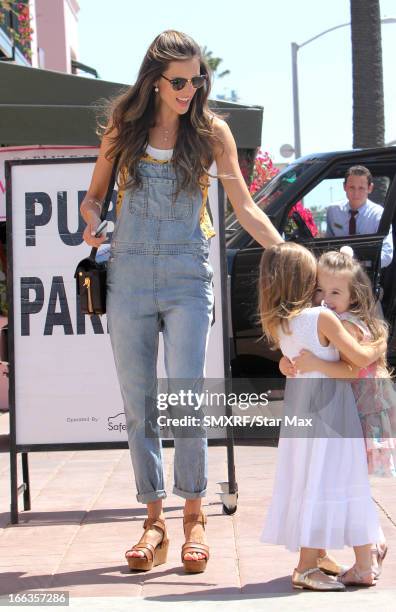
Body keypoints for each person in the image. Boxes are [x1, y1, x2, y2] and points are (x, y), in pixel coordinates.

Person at [80, 30, 283, 574]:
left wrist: (284, 249)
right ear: (153, 79)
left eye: (197, 79)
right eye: (179, 80)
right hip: (128, 274)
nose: (190, 88)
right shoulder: (124, 128)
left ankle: (194, 514)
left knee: (187, 397)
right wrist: (92, 222)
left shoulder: (211, 133)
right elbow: (94, 195)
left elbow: (241, 203)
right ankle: (153, 521)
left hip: (188, 276)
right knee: (139, 404)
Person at [258, 242, 385, 591]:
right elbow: (358, 360)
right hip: (332, 414)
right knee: (339, 478)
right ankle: (305, 567)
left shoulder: (280, 322)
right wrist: (381, 343)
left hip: (302, 414)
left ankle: (328, 557)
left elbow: (294, 363)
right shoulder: (321, 317)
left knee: (311, 480)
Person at [326, 165, 393, 268]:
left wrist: (358, 264)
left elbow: (387, 254)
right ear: (344, 187)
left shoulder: (379, 215)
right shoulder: (333, 211)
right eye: (351, 187)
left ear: (370, 188)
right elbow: (327, 246)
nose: (356, 193)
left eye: (361, 188)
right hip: (338, 272)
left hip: (367, 275)